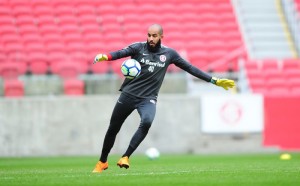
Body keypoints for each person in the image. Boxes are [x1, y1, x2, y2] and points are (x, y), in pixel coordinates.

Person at [92, 24, 235, 173]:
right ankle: (102, 161)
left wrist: (214, 80)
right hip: (128, 95)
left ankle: (125, 157)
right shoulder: (138, 48)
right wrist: (106, 56)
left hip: (148, 99)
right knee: (113, 128)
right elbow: (121, 53)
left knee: (146, 121)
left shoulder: (169, 54)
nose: (151, 39)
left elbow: (190, 68)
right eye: (149, 35)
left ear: (161, 37)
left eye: (154, 36)